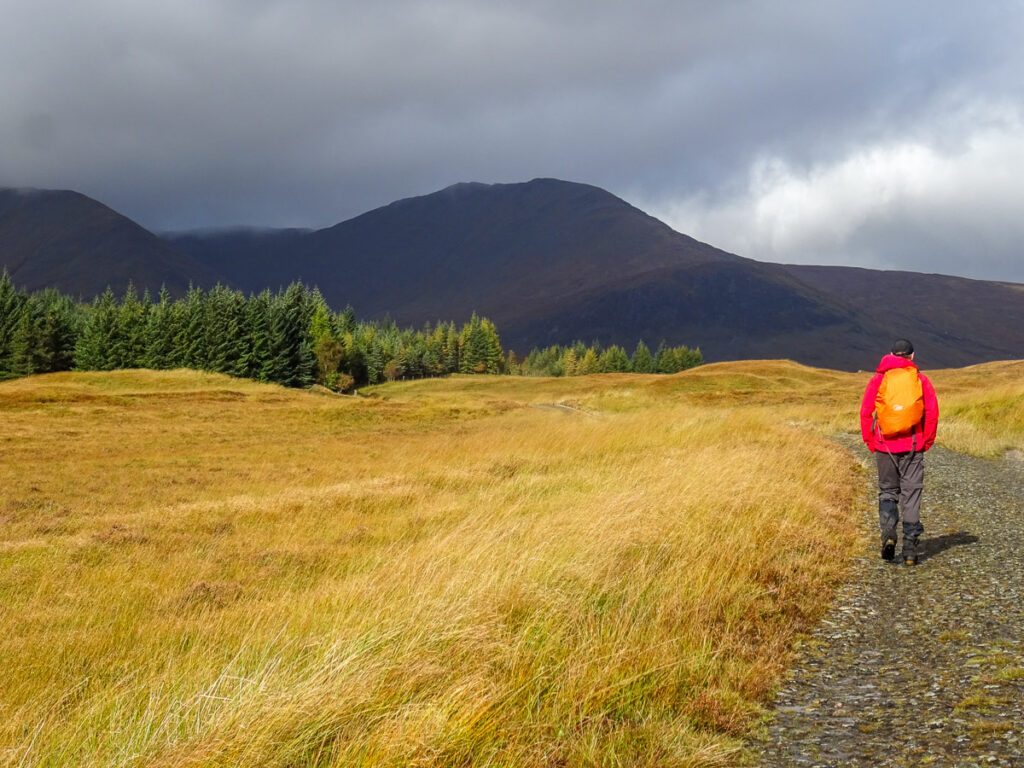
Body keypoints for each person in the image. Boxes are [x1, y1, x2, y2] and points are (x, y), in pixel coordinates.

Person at [859, 339, 939, 565]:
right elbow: (932, 413)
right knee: (911, 495)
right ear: (912, 356)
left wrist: (870, 441)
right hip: (914, 447)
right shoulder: (921, 380)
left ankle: (888, 536)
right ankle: (911, 550)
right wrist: (926, 440)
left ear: (891, 355)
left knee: (887, 492)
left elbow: (866, 412)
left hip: (884, 447)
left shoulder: (878, 379)